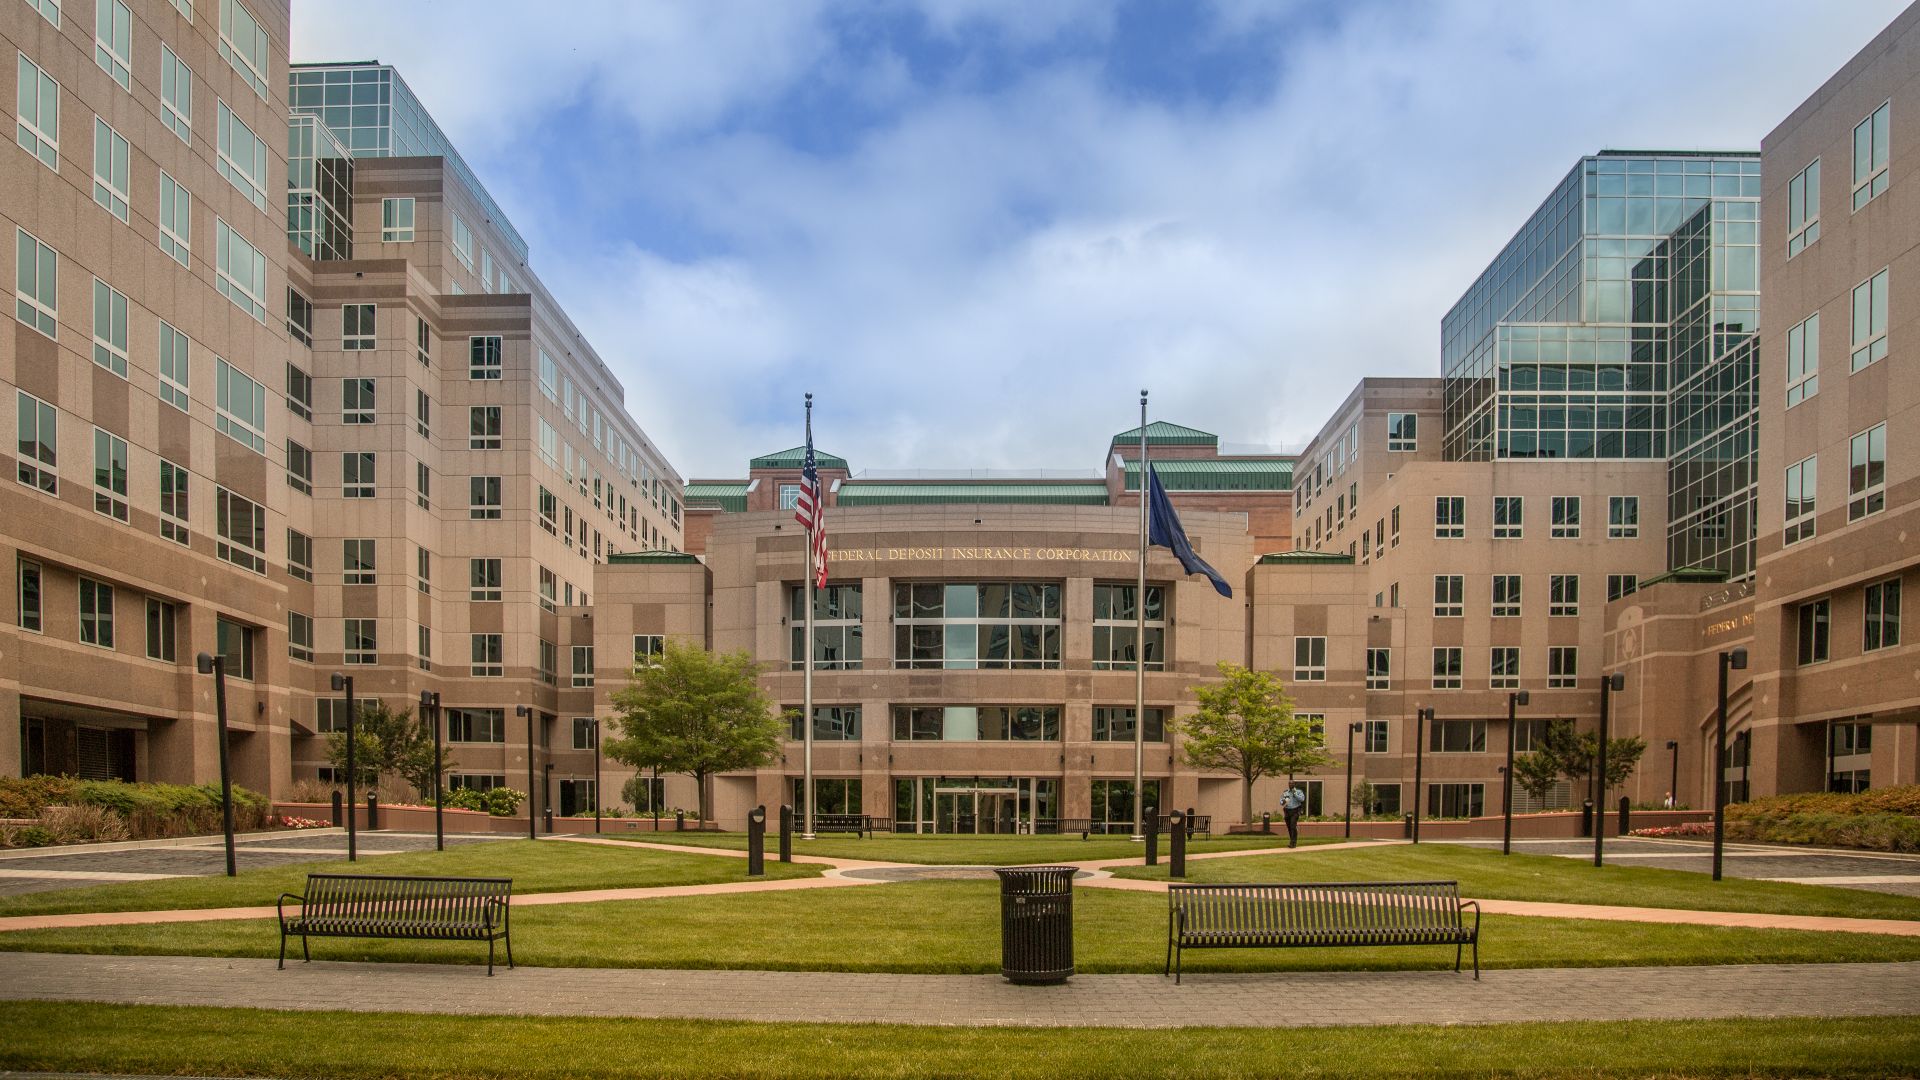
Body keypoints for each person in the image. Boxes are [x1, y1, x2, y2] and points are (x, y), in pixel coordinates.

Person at [1280, 783, 1307, 848]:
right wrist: (1283, 801)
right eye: (1289, 783)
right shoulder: (1285, 792)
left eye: (1292, 783)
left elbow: (1302, 799)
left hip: (1295, 811)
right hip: (1287, 811)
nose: (1291, 784)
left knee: (1293, 826)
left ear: (1294, 784)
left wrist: (1295, 794)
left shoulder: (1299, 791)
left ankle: (1293, 843)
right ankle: (1292, 840)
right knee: (1289, 827)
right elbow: (1281, 802)